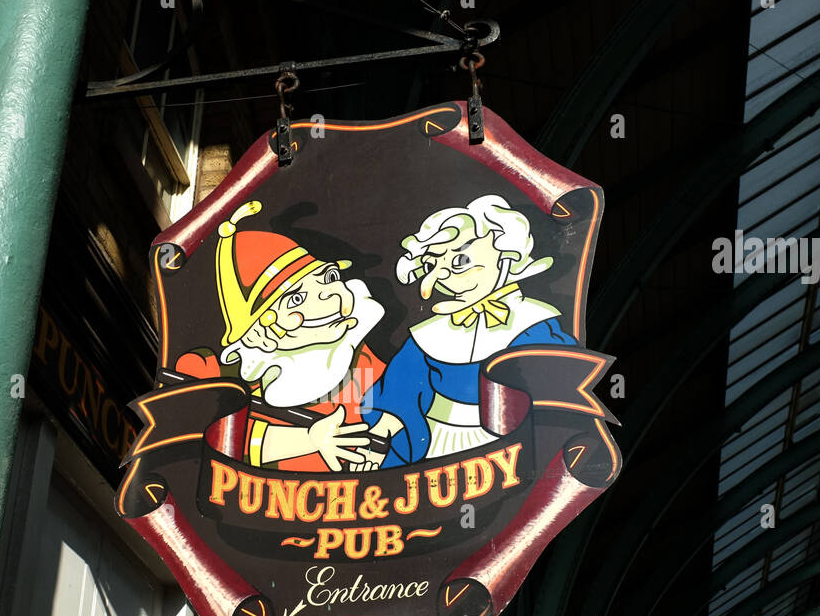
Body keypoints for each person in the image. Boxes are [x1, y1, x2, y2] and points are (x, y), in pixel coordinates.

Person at [360, 194, 576, 466]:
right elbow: (399, 391)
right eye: (430, 266)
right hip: (437, 442)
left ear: (505, 254)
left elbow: (558, 389)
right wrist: (382, 432)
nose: (436, 282)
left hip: (507, 449)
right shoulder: (427, 337)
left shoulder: (533, 323)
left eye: (459, 261)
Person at [175, 201, 386, 471]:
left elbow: (398, 418)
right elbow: (205, 439)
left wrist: (383, 452)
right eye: (296, 298)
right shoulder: (220, 379)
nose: (330, 295)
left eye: (329, 277)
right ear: (259, 334)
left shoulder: (366, 364)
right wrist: (306, 440)